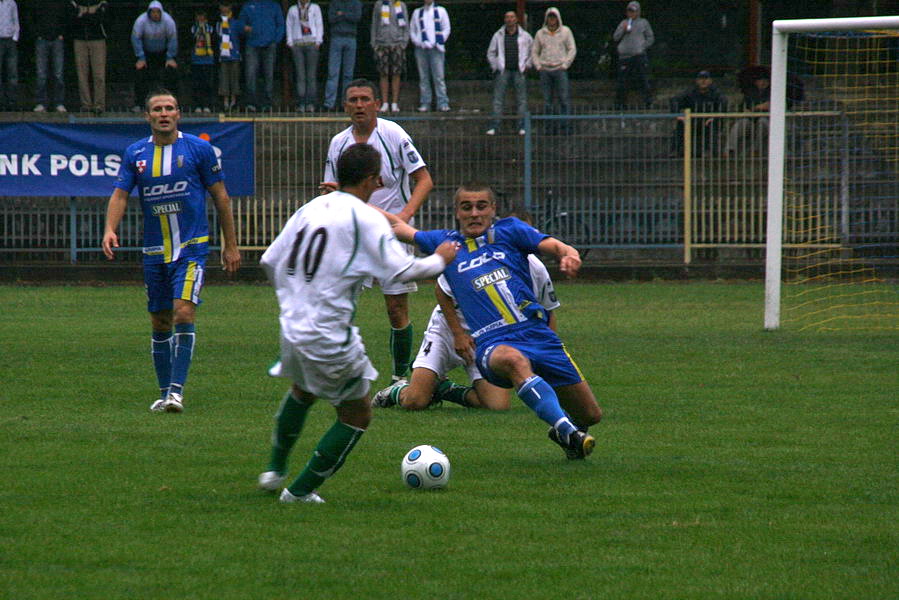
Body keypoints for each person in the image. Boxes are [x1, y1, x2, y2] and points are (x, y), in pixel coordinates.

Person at [256, 143, 458, 504]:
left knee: (303, 391)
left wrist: (295, 300)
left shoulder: (311, 207)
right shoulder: (365, 217)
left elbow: (271, 260)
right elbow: (402, 268)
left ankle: (274, 471)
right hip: (328, 334)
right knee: (357, 414)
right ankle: (299, 492)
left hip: (292, 328)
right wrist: (440, 259)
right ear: (372, 179)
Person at [384, 183, 603, 459]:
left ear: (493, 210)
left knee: (591, 414)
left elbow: (553, 245)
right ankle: (566, 430)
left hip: (536, 334)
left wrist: (568, 253)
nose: (474, 213)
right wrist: (348, 201)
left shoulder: (510, 231)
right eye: (466, 207)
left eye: (481, 206)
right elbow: (397, 227)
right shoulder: (446, 243)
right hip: (492, 342)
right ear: (457, 212)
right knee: (513, 360)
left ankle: (568, 432)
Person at [102, 90, 241, 414]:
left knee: (183, 312)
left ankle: (177, 393)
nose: (164, 113)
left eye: (169, 108)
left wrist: (229, 245)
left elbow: (221, 196)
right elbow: (120, 195)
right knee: (160, 320)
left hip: (192, 247)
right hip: (154, 250)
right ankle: (164, 393)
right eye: (157, 109)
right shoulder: (135, 153)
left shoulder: (199, 149)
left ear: (178, 114)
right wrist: (110, 228)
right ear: (147, 116)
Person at [373, 212, 561, 412]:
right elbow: (441, 290)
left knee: (496, 406)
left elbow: (548, 312)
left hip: (486, 338)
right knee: (415, 401)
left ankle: (445, 389)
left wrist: (548, 359)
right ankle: (397, 390)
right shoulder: (474, 255)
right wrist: (458, 334)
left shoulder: (537, 269)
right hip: (449, 328)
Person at [321, 78, 434, 383]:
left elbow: (424, 180)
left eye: (364, 99)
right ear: (345, 106)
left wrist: (403, 218)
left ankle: (399, 377)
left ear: (377, 104)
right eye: (353, 100)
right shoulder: (338, 143)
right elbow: (332, 191)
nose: (359, 105)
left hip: (391, 237)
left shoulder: (392, 134)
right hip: (352, 236)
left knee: (396, 308)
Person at [486, 10, 532, 136]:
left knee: (521, 100)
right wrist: (496, 66)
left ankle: (522, 126)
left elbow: (532, 52)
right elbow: (491, 52)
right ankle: (495, 125)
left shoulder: (525, 36)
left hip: (519, 71)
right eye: (507, 17)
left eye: (512, 17)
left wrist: (527, 65)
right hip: (503, 71)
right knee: (498, 99)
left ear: (516, 19)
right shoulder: (498, 35)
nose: (509, 19)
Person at [531, 7, 576, 134]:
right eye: (550, 17)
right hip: (545, 69)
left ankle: (565, 127)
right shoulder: (540, 33)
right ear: (547, 18)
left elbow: (572, 49)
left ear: (558, 18)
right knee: (547, 101)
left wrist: (565, 65)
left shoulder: (566, 31)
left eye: (554, 17)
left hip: (560, 69)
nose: (552, 19)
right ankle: (549, 128)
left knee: (563, 99)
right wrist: (538, 66)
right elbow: (534, 51)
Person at [131, 1, 178, 113]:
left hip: (163, 53)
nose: (155, 14)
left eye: (158, 12)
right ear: (149, 12)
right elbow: (135, 39)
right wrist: (141, 57)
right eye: (153, 12)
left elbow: (173, 39)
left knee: (171, 72)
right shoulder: (141, 21)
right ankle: (139, 104)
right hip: (146, 53)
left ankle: (172, 104)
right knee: (140, 73)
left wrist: (170, 57)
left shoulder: (168, 21)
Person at [669, 70, 727, 156]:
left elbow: (723, 103)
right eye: (701, 79)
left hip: (708, 121)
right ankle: (675, 150)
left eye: (706, 79)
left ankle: (710, 151)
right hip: (692, 120)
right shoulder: (690, 92)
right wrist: (678, 115)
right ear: (697, 81)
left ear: (710, 81)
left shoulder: (715, 93)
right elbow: (675, 100)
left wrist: (715, 117)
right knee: (680, 125)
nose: (703, 81)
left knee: (712, 125)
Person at [241, 0, 285, 111]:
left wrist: (275, 40)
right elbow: (241, 23)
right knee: (251, 74)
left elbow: (280, 24)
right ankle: (251, 103)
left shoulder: (274, 5)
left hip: (269, 45)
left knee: (269, 74)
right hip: (252, 45)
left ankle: (267, 103)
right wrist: (245, 29)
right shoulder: (248, 6)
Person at [409, 0, 450, 113]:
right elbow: (412, 30)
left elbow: (446, 28)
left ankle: (442, 102)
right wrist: (419, 42)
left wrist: (439, 41)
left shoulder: (441, 11)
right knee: (423, 77)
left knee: (439, 77)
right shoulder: (417, 12)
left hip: (437, 48)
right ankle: (425, 102)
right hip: (421, 49)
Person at [613, 1, 654, 109]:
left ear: (638, 12)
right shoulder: (623, 23)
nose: (631, 13)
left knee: (643, 79)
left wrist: (642, 47)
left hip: (638, 55)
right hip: (625, 56)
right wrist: (623, 30)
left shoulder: (644, 22)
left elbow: (650, 37)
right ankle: (620, 104)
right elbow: (615, 37)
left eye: (633, 11)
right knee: (622, 81)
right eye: (629, 11)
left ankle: (648, 102)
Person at [370, 0, 409, 113]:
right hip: (382, 44)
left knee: (396, 74)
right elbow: (374, 24)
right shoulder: (379, 4)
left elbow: (406, 25)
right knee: (383, 74)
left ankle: (395, 103)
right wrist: (374, 44)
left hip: (397, 44)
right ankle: (385, 102)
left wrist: (404, 43)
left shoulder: (401, 5)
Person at [322, 0, 361, 111]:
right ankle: (329, 103)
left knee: (348, 74)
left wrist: (342, 14)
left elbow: (357, 17)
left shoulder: (356, 2)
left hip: (351, 38)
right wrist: (347, 15)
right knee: (333, 73)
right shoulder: (334, 2)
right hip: (336, 37)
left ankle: (346, 103)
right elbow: (331, 18)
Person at [71, 0, 108, 114]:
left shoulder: (100, 2)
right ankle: (86, 104)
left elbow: (100, 18)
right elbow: (72, 18)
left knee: (99, 75)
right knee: (82, 74)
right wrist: (90, 14)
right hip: (79, 39)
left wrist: (83, 14)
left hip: (97, 39)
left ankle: (99, 105)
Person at [285, 0, 323, 112]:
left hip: (311, 43)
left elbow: (319, 24)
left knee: (311, 75)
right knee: (300, 75)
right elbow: (289, 25)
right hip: (298, 44)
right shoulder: (293, 9)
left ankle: (311, 103)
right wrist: (290, 42)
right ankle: (301, 103)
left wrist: (318, 41)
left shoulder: (315, 8)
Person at [32, 0, 67, 113]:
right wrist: (37, 34)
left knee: (58, 73)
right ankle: (41, 102)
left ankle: (59, 102)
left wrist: (62, 33)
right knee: (41, 74)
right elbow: (31, 16)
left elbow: (66, 15)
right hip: (42, 40)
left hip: (57, 39)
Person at [725, 73, 770, 156]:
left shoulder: (771, 92)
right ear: (756, 82)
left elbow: (768, 105)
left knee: (762, 122)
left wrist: (754, 108)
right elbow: (744, 108)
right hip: (751, 120)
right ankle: (730, 149)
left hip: (767, 121)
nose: (763, 82)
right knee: (740, 124)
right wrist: (756, 108)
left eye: (765, 80)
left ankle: (756, 150)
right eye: (760, 80)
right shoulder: (750, 93)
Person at [215, 1, 243, 112]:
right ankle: (225, 101)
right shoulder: (218, 24)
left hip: (234, 54)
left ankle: (234, 100)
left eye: (227, 6)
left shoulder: (236, 23)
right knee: (224, 78)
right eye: (223, 6)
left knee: (234, 77)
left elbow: (241, 34)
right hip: (223, 55)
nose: (225, 9)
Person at [190, 9, 216, 113]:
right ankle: (197, 105)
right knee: (197, 84)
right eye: (199, 16)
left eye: (203, 17)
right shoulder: (193, 29)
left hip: (208, 60)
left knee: (207, 84)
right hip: (196, 60)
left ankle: (207, 105)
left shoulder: (211, 29)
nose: (201, 19)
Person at [0, 0, 18, 111]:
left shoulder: (11, 2)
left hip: (10, 40)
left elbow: (16, 20)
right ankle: (1, 103)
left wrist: (15, 37)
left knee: (12, 73)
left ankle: (12, 102)